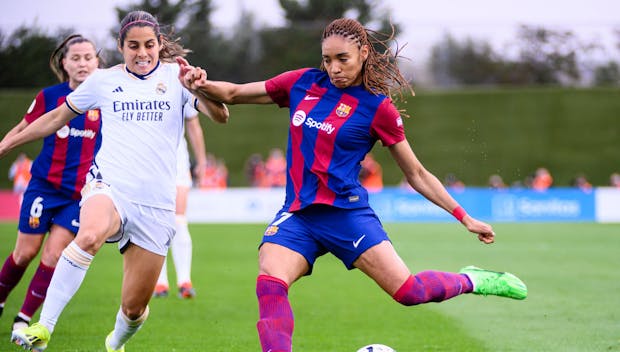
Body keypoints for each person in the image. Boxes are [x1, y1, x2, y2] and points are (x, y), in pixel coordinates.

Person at [179, 17, 527, 352]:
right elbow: (235, 92)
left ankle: (474, 280)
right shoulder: (303, 83)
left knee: (409, 293)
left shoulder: (379, 109)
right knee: (270, 282)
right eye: (327, 60)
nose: (334, 68)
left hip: (346, 214)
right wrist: (200, 83)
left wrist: (464, 217)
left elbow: (416, 174)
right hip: (299, 215)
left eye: (342, 59)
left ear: (363, 53)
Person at [0, 10, 228, 352]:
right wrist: (7, 143)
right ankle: (42, 327)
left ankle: (116, 342)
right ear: (120, 47)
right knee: (88, 235)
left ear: (159, 44)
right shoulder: (103, 80)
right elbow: (55, 118)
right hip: (109, 186)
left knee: (134, 308)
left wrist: (203, 88)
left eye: (149, 45)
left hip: (155, 205)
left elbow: (221, 116)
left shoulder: (177, 76)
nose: (142, 53)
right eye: (133, 46)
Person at [0, 34, 102, 333]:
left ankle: (23, 321)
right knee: (24, 253)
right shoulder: (50, 97)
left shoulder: (107, 98)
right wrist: (4, 144)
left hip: (79, 196)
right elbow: (24, 127)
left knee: (54, 255)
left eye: (88, 57)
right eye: (76, 58)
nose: (82, 63)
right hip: (44, 188)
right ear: (64, 63)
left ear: (97, 62)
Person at [153, 103, 207, 299]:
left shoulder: (179, 78)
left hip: (177, 158)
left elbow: (193, 125)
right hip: (146, 161)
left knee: (178, 217)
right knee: (155, 221)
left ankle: (184, 281)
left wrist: (201, 162)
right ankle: (159, 282)